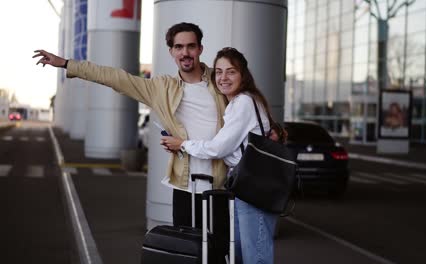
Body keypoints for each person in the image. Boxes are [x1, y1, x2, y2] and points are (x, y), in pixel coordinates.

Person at [33, 22, 228, 229]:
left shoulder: (221, 81)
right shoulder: (160, 88)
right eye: (179, 47)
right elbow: (115, 77)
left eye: (191, 46)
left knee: (222, 253)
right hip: (185, 186)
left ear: (200, 49)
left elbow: (248, 105)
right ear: (171, 51)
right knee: (189, 253)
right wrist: (66, 64)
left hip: (221, 185)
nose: (185, 52)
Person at [162, 47, 279, 264]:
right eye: (218, 71)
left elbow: (219, 148)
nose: (223, 78)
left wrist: (183, 144)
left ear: (243, 75)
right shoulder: (239, 102)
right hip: (245, 186)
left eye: (231, 71)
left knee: (256, 256)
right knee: (242, 255)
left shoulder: (243, 102)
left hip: (255, 187)